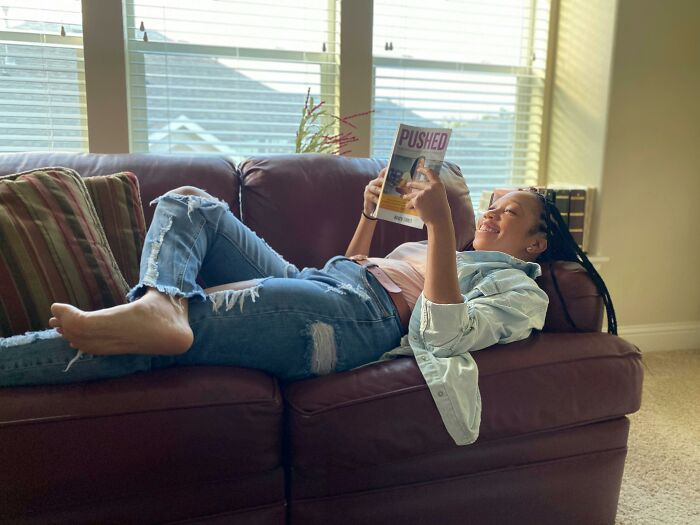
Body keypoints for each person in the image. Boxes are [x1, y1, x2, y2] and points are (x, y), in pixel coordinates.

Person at [0, 166, 616, 445]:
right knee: (191, 202)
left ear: (536, 243)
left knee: (167, 337)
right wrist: (368, 218)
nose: (490, 212)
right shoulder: (443, 249)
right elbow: (348, 268)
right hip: (327, 284)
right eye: (493, 202)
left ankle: (153, 321)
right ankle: (162, 300)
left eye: (508, 212)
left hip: (356, 320)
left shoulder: (520, 290)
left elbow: (448, 331)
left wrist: (434, 231)